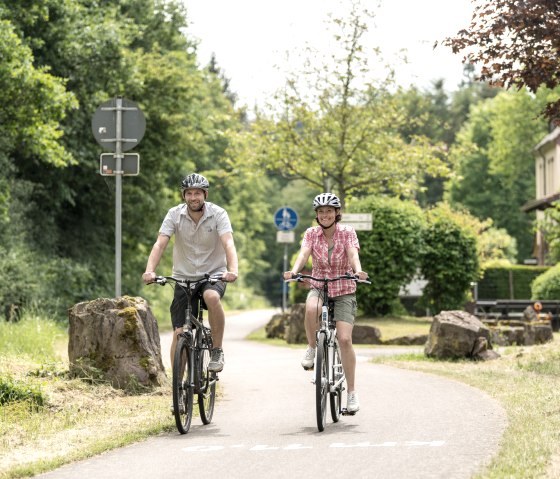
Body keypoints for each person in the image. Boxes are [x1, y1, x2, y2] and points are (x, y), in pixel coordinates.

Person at [142, 173, 238, 376]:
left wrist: (233, 270)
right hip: (184, 277)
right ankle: (178, 387)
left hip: (213, 275)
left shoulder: (218, 213)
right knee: (179, 333)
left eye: (198, 193)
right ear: (184, 195)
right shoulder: (174, 214)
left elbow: (228, 242)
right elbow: (160, 243)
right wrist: (150, 270)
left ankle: (217, 350)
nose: (193, 197)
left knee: (211, 296)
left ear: (205, 194)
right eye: (189, 193)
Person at [283, 192, 368, 413]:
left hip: (344, 288)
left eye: (329, 211)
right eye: (321, 212)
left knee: (345, 339)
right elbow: (303, 254)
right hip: (319, 284)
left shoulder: (347, 232)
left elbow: (352, 254)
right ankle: (312, 348)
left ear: (337, 213)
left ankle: (351, 393)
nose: (325, 215)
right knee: (311, 308)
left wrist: (358, 271)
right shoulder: (311, 233)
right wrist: (294, 271)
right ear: (317, 215)